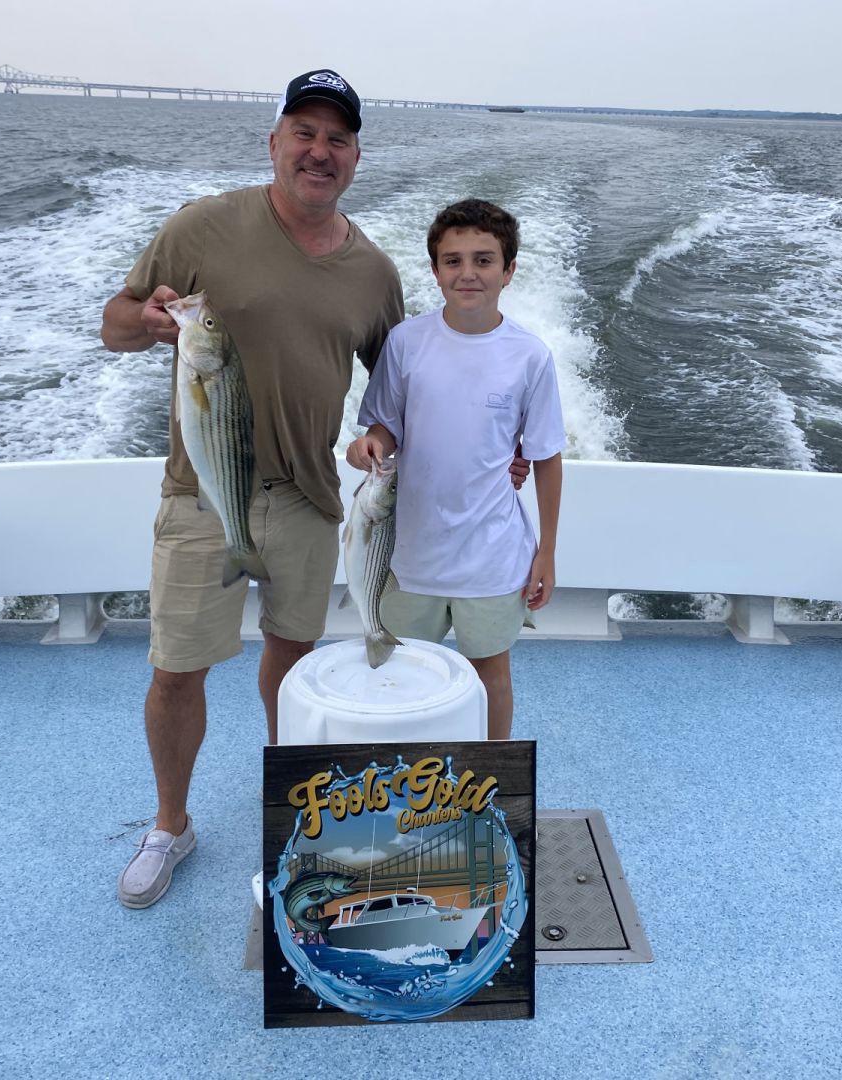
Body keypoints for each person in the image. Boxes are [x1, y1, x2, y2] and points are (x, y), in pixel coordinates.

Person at [98, 69, 405, 909]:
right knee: (176, 671)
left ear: (356, 157)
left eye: (337, 138)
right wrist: (150, 323)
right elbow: (115, 323)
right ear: (274, 143)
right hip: (202, 493)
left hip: (309, 498)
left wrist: (394, 439)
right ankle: (170, 825)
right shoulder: (204, 226)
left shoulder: (374, 272)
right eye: (304, 133)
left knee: (293, 663)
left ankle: (293, 816)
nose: (319, 151)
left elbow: (396, 387)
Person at [347, 199, 565, 741]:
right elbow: (386, 427)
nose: (468, 273)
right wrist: (370, 443)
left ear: (509, 271)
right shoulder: (405, 342)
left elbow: (545, 457)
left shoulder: (530, 356)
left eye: (484, 260)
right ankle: (409, 777)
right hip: (406, 556)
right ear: (435, 270)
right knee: (401, 674)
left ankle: (492, 777)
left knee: (491, 674)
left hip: (491, 558)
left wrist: (547, 551)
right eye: (453, 261)